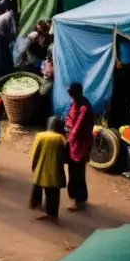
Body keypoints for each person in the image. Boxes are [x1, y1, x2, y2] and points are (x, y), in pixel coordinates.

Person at [29, 116, 67, 222]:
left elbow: (35, 153)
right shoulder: (60, 138)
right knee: (53, 194)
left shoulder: (40, 136)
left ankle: (38, 205)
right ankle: (52, 214)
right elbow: (64, 156)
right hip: (55, 170)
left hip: (41, 169)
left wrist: (33, 166)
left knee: (39, 188)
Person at [64, 83, 94, 212]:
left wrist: (68, 138)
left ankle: (79, 199)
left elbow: (78, 127)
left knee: (78, 172)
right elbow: (70, 120)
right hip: (74, 143)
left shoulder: (83, 107)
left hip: (80, 144)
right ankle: (76, 196)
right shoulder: (77, 102)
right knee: (73, 170)